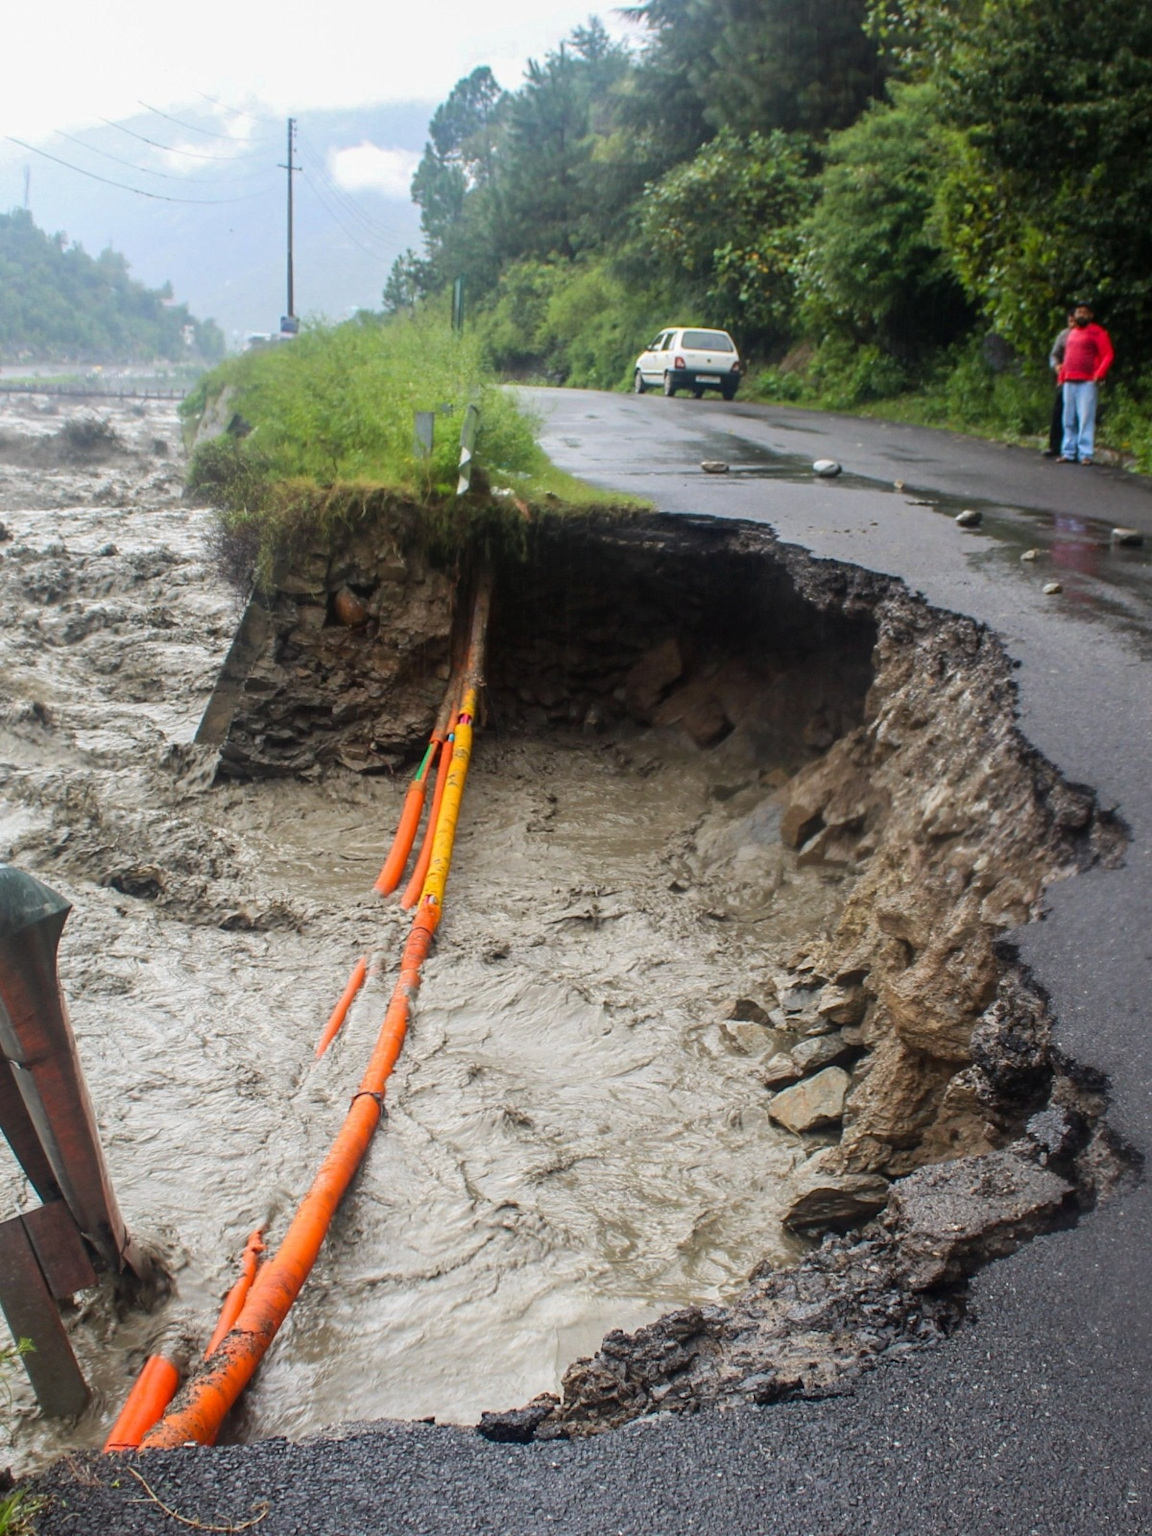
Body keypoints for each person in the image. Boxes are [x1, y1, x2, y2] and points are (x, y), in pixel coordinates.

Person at [1057, 300, 1114, 465]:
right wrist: (1061, 377)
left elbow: (1108, 354)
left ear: (1091, 315)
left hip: (1087, 381)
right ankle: (1068, 451)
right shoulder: (1071, 333)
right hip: (1069, 380)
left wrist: (1099, 374)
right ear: (1074, 315)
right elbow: (1067, 357)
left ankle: (1086, 454)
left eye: (1085, 312)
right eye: (1078, 312)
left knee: (1085, 418)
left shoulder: (1098, 333)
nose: (1081, 315)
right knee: (1068, 418)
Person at [1043, 311, 1075, 457]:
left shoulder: (1090, 334)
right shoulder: (1064, 335)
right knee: (1059, 412)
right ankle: (1055, 446)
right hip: (1065, 379)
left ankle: (1075, 448)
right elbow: (1054, 354)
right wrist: (1056, 366)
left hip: (1083, 380)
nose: (1072, 324)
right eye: (1070, 321)